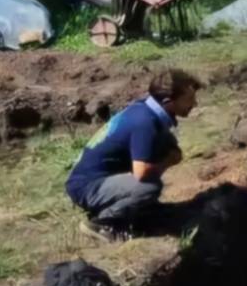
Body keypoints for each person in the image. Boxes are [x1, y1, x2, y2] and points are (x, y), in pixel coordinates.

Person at [65, 68, 202, 240]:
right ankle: (102, 223)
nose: (195, 104)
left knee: (165, 146)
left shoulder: (145, 108)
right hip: (87, 187)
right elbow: (142, 173)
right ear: (168, 101)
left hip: (93, 178)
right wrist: (168, 161)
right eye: (189, 99)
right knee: (148, 187)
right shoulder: (145, 123)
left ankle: (140, 209)